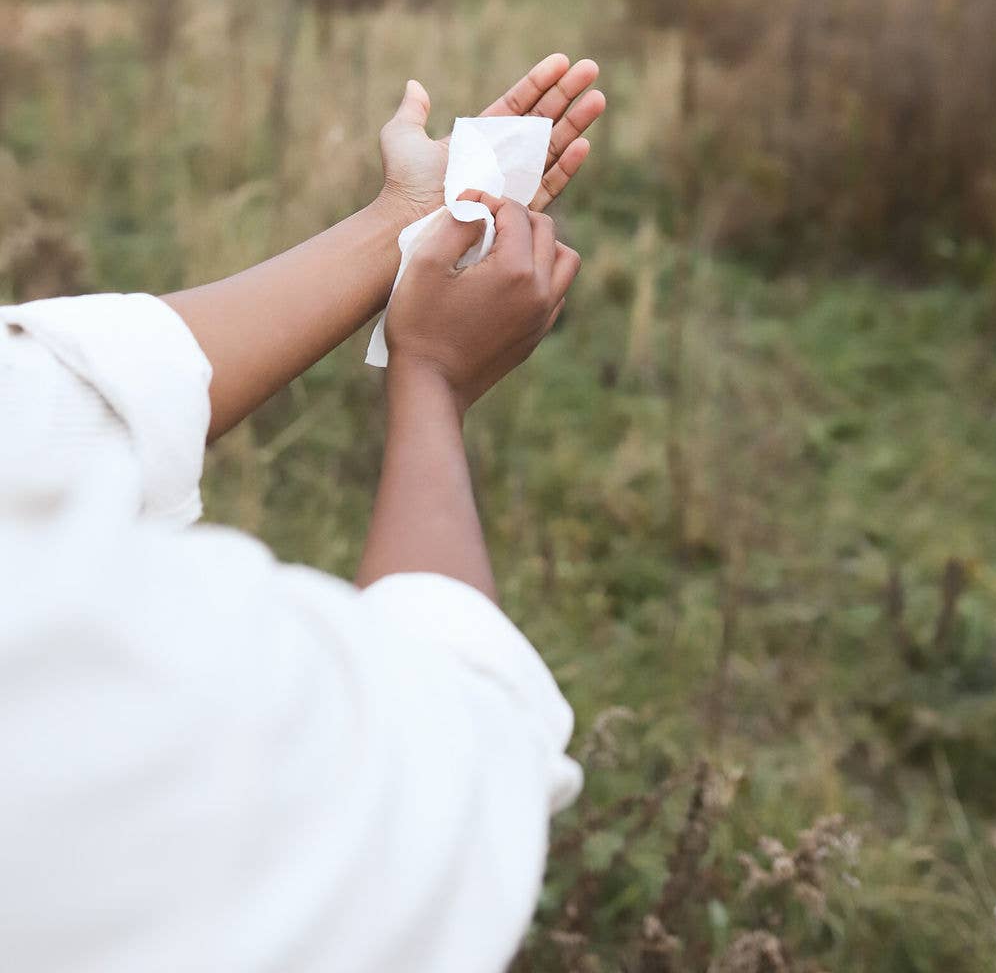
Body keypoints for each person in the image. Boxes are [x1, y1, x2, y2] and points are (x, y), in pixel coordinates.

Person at [0, 54, 605, 973]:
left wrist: (404, 219)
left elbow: (51, 407)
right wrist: (434, 378)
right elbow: (432, 788)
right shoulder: (65, 672)